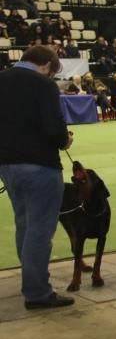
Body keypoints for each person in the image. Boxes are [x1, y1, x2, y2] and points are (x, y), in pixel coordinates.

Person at [0, 45, 75, 310]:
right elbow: (54, 129)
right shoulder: (43, 86)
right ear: (47, 67)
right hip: (40, 166)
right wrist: (65, 140)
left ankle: (31, 280)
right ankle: (37, 292)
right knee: (40, 231)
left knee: (24, 224)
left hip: (7, 166)